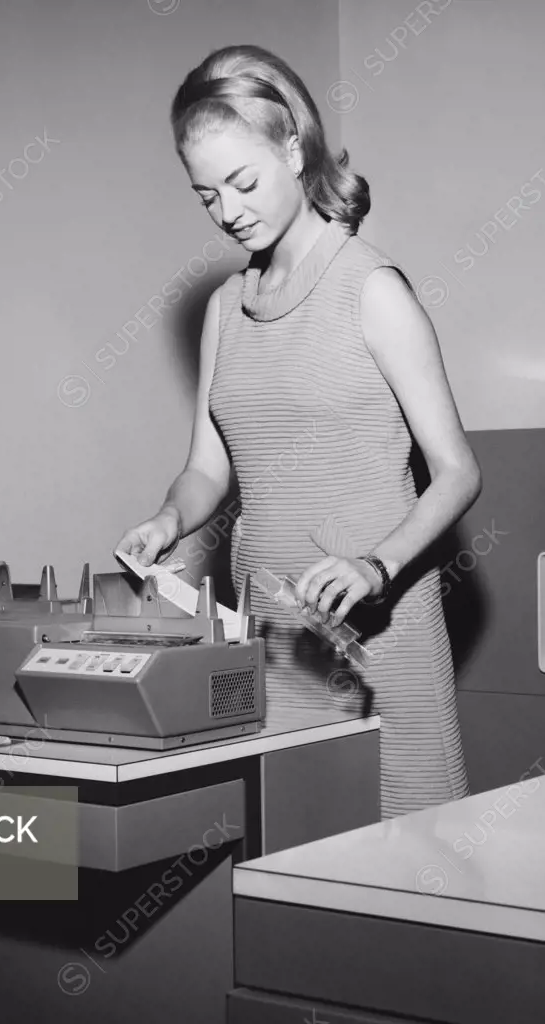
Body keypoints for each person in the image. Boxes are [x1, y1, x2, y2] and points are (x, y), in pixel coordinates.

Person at [116, 45, 482, 819]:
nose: (228, 211)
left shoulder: (370, 289)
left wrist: (375, 567)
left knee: (411, 858)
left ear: (293, 148)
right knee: (290, 866)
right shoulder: (225, 308)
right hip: (269, 637)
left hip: (376, 629)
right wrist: (168, 520)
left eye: (243, 182)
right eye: (205, 195)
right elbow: (207, 470)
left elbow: (455, 471)